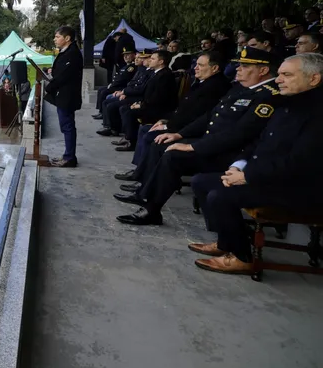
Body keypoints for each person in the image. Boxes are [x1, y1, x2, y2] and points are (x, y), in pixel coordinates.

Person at [189, 53, 323, 274]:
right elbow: (260, 142)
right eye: (279, 74)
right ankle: (226, 242)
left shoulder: (316, 114)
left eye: (287, 75)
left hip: (300, 187)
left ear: (314, 79)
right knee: (202, 182)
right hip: (269, 176)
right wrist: (238, 165)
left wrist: (248, 176)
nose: (278, 80)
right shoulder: (287, 103)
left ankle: (242, 257)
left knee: (221, 195)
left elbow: (301, 163)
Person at [115, 47, 280, 225]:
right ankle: (147, 201)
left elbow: (239, 134)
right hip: (212, 143)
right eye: (239, 65)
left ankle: (150, 208)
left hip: (232, 153)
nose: (238, 69)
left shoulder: (268, 96)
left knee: (173, 155)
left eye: (245, 66)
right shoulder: (240, 88)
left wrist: (193, 146)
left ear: (263, 70)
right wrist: (179, 134)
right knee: (166, 146)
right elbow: (210, 115)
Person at [45, 25, 84, 167]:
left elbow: (63, 76)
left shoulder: (73, 54)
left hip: (68, 96)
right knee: (65, 126)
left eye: (57, 37)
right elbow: (60, 71)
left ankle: (69, 158)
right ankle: (68, 155)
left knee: (67, 126)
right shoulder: (66, 52)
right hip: (63, 95)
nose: (55, 39)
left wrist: (48, 88)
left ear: (67, 38)